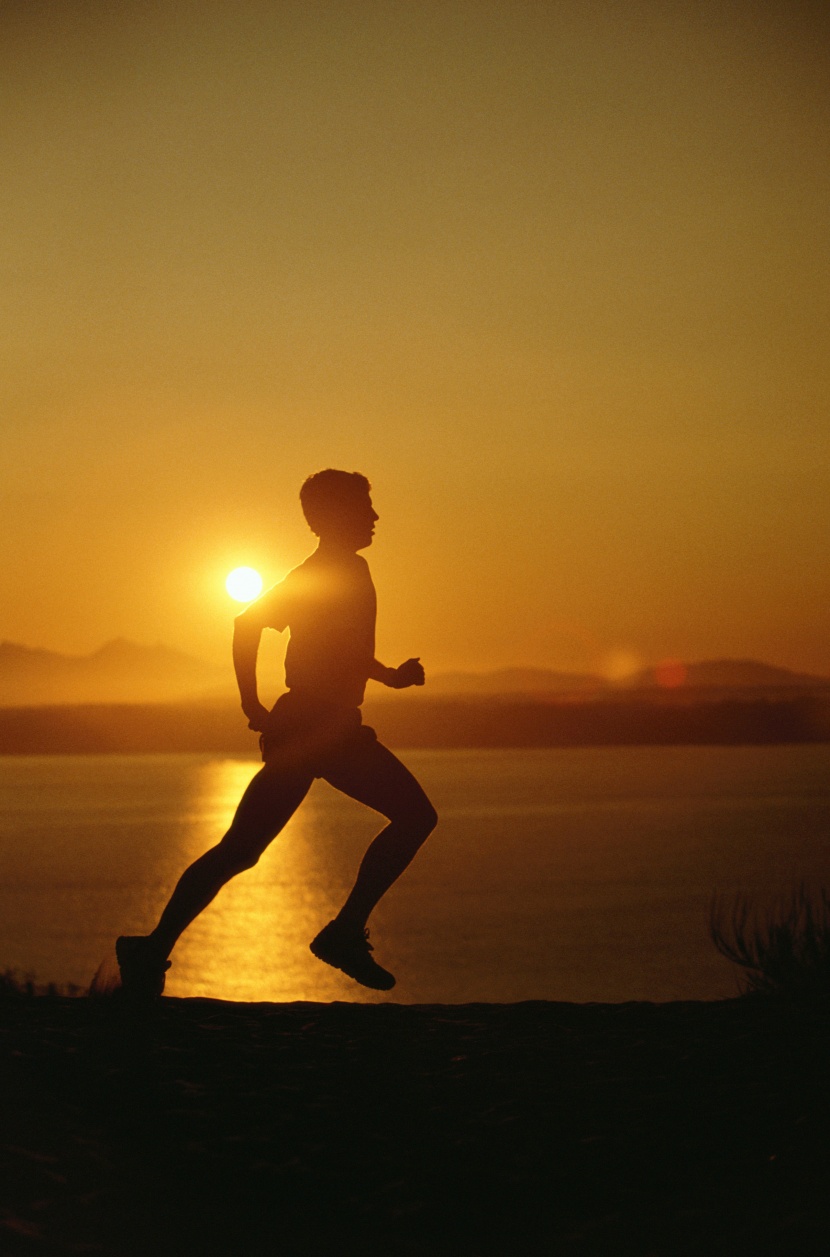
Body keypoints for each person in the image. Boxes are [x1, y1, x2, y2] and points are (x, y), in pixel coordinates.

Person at [115, 470, 437, 997]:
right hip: (318, 727)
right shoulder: (327, 571)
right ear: (331, 517)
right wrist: (251, 702)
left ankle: (150, 948)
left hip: (316, 725)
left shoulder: (346, 570)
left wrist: (390, 677)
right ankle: (343, 933)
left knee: (240, 850)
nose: (375, 518)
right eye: (365, 508)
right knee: (415, 816)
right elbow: (247, 624)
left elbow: (342, 650)